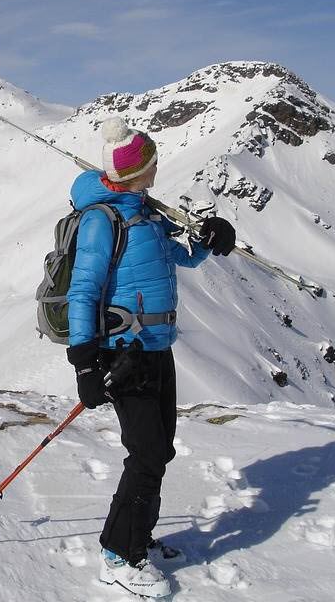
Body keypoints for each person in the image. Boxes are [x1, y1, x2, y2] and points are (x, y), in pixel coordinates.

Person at [65, 117, 236, 598]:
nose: (158, 167)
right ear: (141, 168)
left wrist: (209, 242)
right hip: (124, 353)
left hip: (158, 350)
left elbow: (177, 258)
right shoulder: (103, 219)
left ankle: (138, 536)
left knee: (160, 448)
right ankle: (119, 555)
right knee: (148, 452)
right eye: (153, 161)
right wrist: (84, 363)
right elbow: (82, 292)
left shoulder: (144, 213)